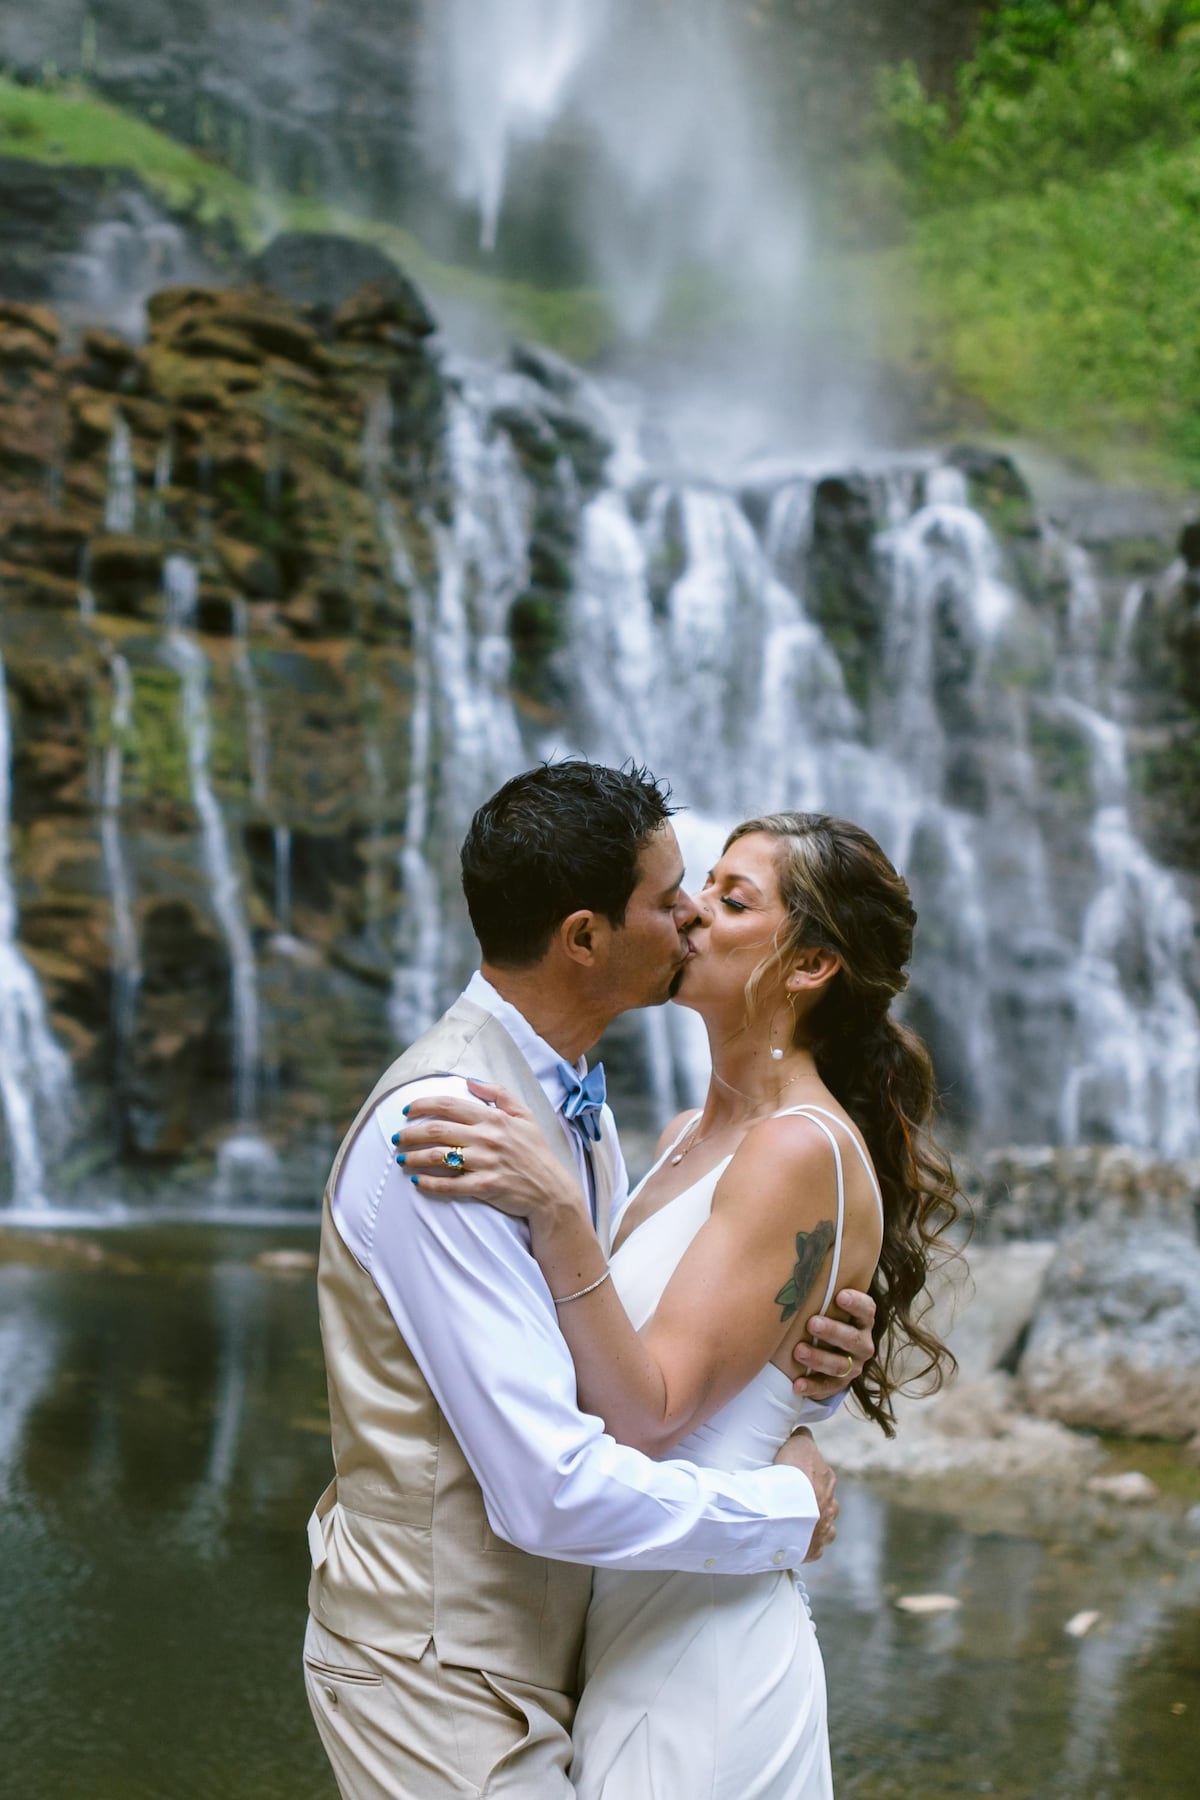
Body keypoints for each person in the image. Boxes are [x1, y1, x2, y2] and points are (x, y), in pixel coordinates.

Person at [303, 764, 879, 1799]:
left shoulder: (581, 1123)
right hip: (440, 1668)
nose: (692, 915)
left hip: (599, 1649)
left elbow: (613, 1347)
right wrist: (784, 1507)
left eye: (720, 898)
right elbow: (551, 1478)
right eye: (673, 900)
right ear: (583, 937)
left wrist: (804, 1379)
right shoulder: (453, 1135)